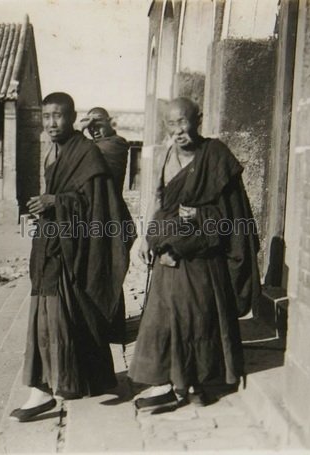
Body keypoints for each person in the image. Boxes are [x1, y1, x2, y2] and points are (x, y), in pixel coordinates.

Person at [128, 97, 261, 411]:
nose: (178, 130)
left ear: (198, 120)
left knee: (196, 320)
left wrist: (200, 214)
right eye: (171, 124)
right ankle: (168, 381)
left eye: (184, 121)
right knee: (162, 318)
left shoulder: (216, 156)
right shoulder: (166, 156)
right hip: (167, 251)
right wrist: (147, 239)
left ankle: (194, 383)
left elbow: (234, 214)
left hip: (202, 255)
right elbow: (159, 200)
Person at [10, 92, 134, 422]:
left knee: (54, 317)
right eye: (46, 116)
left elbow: (96, 205)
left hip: (72, 250)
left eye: (59, 116)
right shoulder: (59, 151)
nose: (52, 123)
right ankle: (71, 381)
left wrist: (56, 203)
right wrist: (49, 208)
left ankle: (43, 390)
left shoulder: (87, 154)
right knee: (59, 315)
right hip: (53, 243)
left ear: (72, 116)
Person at [79, 107, 129, 195]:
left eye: (99, 126)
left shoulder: (117, 143)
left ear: (109, 122)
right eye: (90, 128)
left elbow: (79, 151)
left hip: (109, 203)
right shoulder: (93, 144)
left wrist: (80, 129)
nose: (95, 131)